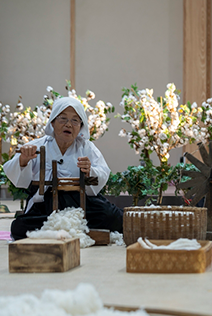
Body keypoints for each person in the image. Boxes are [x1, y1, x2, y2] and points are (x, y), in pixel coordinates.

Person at [5, 97, 123, 240]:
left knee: (114, 217)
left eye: (75, 120)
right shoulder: (38, 145)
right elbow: (17, 178)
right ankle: (76, 229)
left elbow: (103, 173)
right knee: (19, 228)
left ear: (81, 126)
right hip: (46, 205)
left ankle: (60, 230)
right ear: (53, 122)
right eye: (63, 119)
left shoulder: (86, 147)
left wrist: (90, 171)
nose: (69, 124)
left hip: (82, 203)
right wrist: (23, 160)